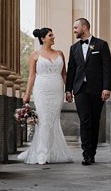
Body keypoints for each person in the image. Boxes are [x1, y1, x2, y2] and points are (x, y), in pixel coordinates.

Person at [18, 28, 73, 164]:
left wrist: (69, 91)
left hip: (57, 90)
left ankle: (51, 151)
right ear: (43, 38)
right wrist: (27, 94)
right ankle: (42, 153)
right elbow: (31, 76)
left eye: (53, 34)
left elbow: (64, 74)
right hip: (41, 90)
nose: (53, 37)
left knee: (53, 120)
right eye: (50, 35)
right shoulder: (35, 55)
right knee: (43, 120)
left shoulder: (60, 53)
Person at [65, 18, 111, 166]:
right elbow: (71, 70)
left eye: (75, 28)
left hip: (97, 89)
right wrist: (68, 90)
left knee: (94, 121)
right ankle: (86, 154)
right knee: (85, 120)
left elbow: (107, 67)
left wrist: (107, 87)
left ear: (84, 28)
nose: (74, 31)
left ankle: (92, 152)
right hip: (80, 89)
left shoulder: (101, 45)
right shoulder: (73, 48)